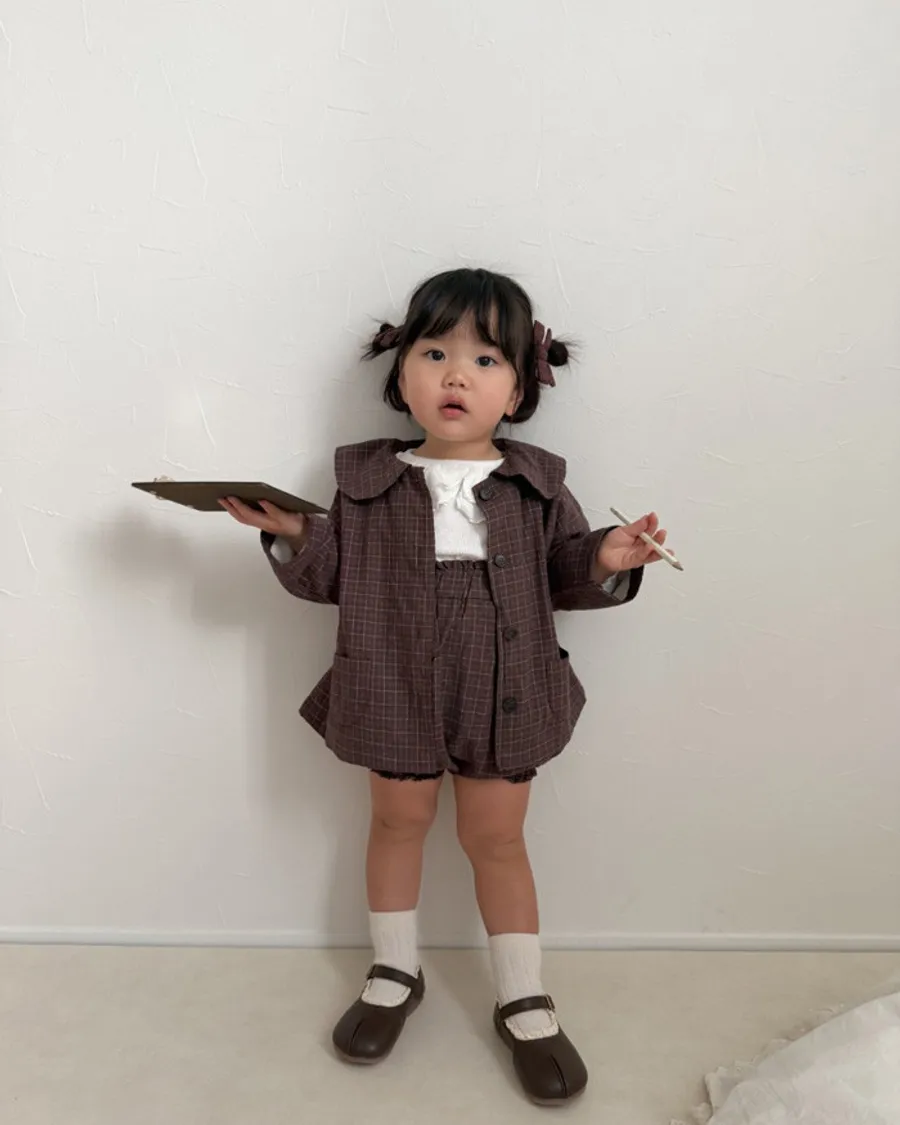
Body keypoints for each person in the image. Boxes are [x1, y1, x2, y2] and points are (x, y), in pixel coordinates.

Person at [221, 267, 668, 1106]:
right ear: (402, 374)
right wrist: (294, 533)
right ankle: (395, 969)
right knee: (397, 819)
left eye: (485, 360)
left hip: (506, 679)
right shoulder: (367, 480)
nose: (456, 374)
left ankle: (523, 993)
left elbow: (561, 573)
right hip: (391, 672)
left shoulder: (537, 482)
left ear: (520, 389)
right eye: (435, 353)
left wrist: (604, 556)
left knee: (497, 836)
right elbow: (333, 577)